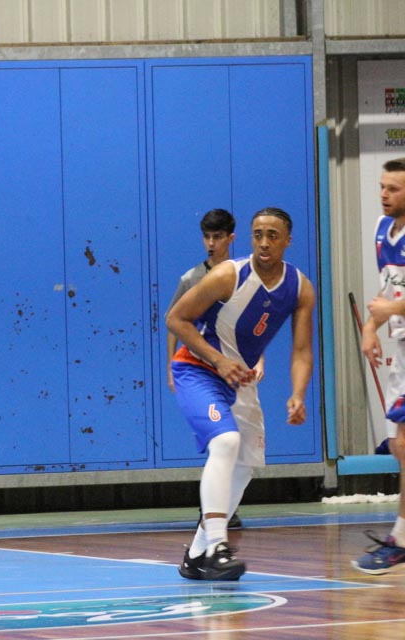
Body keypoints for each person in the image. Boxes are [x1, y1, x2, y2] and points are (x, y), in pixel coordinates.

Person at [167, 207, 315, 581]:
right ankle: (218, 546)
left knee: (247, 464)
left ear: (287, 241)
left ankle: (197, 555)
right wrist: (218, 360)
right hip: (198, 369)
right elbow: (175, 319)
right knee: (226, 442)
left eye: (272, 236)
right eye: (257, 234)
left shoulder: (300, 287)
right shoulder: (228, 275)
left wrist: (298, 394)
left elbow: (301, 350)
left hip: (240, 380)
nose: (264, 243)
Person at [165, 208, 252, 529]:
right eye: (206, 237)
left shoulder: (244, 276)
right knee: (219, 438)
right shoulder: (191, 279)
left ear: (231, 238)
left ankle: (225, 507)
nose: (211, 243)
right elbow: (174, 322)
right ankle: (211, 513)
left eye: (217, 237)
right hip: (202, 369)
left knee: (239, 443)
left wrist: (259, 360)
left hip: (235, 369)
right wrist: (170, 367)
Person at [353, 157, 405, 574]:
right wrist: (371, 327)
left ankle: (400, 539)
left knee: (403, 443)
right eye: (382, 187)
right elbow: (386, 292)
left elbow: (392, 303)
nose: (384, 195)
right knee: (399, 445)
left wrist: (389, 310)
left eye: (394, 189)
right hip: (400, 348)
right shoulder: (380, 230)